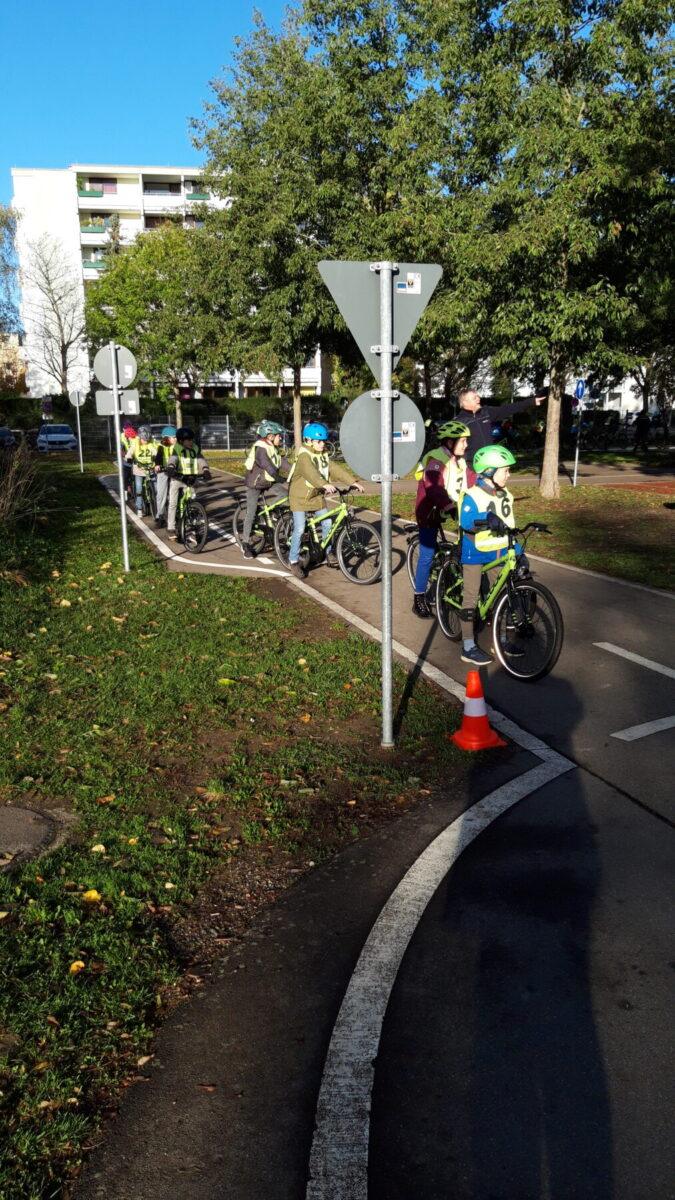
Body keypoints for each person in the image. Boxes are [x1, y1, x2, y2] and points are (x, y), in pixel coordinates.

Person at [458, 444, 524, 667]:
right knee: (471, 595)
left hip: (498, 552)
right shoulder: (472, 495)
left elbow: (510, 525)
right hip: (475, 552)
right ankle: (468, 646)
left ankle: (501, 640)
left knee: (500, 597)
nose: (509, 474)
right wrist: (487, 518)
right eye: (505, 470)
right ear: (488, 472)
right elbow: (466, 521)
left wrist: (517, 549)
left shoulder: (506, 496)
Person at [287, 422, 363, 579]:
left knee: (327, 523)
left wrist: (352, 482)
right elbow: (311, 473)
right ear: (308, 441)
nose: (323, 444)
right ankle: (293, 560)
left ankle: (328, 553)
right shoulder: (303, 456)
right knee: (300, 528)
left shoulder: (322, 455)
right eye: (319, 441)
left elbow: (335, 469)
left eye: (323, 441)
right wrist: (325, 484)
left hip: (316, 496)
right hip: (300, 497)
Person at [412, 420, 472, 619]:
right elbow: (433, 486)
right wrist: (448, 505)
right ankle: (419, 598)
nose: (466, 445)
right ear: (449, 442)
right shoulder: (437, 460)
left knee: (457, 551)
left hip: (448, 509)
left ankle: (439, 586)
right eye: (462, 441)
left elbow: (471, 479)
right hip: (429, 511)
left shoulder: (460, 461)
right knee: (427, 556)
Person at [241, 420, 289, 559]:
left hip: (268, 481)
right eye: (279, 435)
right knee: (251, 512)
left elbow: (282, 462)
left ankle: (272, 512)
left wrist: (296, 471)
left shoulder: (272, 448)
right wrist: (277, 476)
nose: (281, 438)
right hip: (255, 483)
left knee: (285, 494)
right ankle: (245, 543)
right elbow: (265, 463)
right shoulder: (260, 447)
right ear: (270, 436)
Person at [458, 389, 544, 465]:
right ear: (465, 402)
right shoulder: (459, 422)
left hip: (489, 463)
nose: (479, 398)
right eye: (474, 398)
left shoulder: (486, 412)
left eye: (478, 396)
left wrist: (531, 402)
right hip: (471, 466)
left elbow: (507, 409)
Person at [165, 427, 211, 541]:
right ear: (181, 441)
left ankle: (193, 527)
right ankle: (170, 527)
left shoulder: (195, 448)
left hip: (190, 480)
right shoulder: (177, 449)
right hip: (178, 478)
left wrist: (205, 469)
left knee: (192, 503)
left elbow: (200, 459)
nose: (191, 442)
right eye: (188, 440)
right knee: (173, 503)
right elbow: (173, 459)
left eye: (192, 439)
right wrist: (171, 467)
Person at [125, 425, 160, 516]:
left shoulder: (151, 443)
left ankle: (157, 506)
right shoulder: (135, 444)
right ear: (140, 437)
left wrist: (158, 459)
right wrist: (129, 458)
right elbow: (129, 453)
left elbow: (156, 452)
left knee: (156, 488)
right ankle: (139, 508)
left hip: (150, 469)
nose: (145, 441)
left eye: (147, 440)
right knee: (139, 489)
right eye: (144, 439)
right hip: (139, 469)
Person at [154, 425, 177, 527]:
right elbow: (158, 456)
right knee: (161, 494)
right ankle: (160, 515)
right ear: (167, 438)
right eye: (173, 437)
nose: (176, 439)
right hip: (163, 471)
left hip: (174, 471)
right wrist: (158, 465)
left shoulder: (177, 447)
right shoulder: (161, 446)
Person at [120, 423, 137, 499]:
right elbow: (121, 449)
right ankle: (126, 493)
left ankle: (134, 491)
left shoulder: (135, 436)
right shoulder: (122, 437)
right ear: (123, 430)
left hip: (135, 459)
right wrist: (125, 455)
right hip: (126, 460)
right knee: (125, 477)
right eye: (126, 429)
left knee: (135, 476)